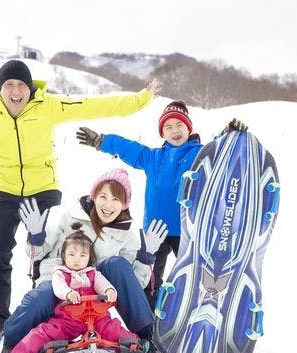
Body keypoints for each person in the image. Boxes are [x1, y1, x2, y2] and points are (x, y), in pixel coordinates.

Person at [0, 59, 161, 343]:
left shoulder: (48, 106)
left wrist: (140, 100)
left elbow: (93, 105)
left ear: (30, 88)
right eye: (9, 85)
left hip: (43, 188)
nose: (16, 91)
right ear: (1, 90)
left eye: (22, 84)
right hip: (4, 189)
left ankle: (47, 304)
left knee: (48, 253)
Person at [76, 101, 247, 308]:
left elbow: (217, 150)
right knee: (150, 278)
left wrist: (229, 135)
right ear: (162, 133)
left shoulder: (200, 154)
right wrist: (101, 141)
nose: (175, 131)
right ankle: (153, 315)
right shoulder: (153, 157)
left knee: (194, 274)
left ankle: (196, 308)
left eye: (179, 125)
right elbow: (128, 148)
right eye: (169, 127)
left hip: (188, 228)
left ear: (188, 128)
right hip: (155, 232)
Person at [3, 168, 168, 353]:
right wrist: (36, 237)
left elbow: (135, 282)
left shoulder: (126, 236)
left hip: (91, 289)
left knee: (116, 264)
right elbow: (37, 253)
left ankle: (145, 338)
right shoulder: (72, 216)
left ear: (124, 204)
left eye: (116, 199)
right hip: (57, 279)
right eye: (103, 197)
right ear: (94, 196)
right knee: (40, 296)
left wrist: (145, 256)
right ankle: (12, 344)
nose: (108, 205)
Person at [3, 223, 144, 353]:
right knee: (42, 332)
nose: (77, 259)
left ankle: (135, 345)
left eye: (82, 255)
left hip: (96, 318)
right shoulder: (60, 273)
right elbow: (58, 287)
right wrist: (68, 293)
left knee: (114, 328)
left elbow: (103, 285)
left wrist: (109, 291)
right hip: (68, 320)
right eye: (72, 254)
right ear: (64, 255)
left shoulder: (94, 274)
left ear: (89, 258)